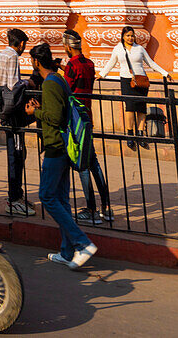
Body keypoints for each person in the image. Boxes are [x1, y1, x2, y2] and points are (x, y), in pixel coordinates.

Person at [25, 42, 97, 269]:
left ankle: (82, 243)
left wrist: (34, 111)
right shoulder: (59, 79)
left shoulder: (49, 83)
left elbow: (55, 118)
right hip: (64, 147)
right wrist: (42, 108)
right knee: (62, 199)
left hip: (56, 147)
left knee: (47, 196)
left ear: (35, 62)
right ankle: (67, 252)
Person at [62, 31, 113, 225]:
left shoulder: (71, 66)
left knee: (82, 164)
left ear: (68, 47)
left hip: (75, 120)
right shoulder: (89, 64)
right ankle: (106, 207)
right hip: (88, 115)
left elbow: (67, 88)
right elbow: (84, 80)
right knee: (94, 162)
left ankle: (90, 209)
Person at [99, 26, 171, 150]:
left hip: (141, 80)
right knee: (130, 108)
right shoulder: (118, 49)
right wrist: (101, 74)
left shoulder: (140, 49)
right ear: (123, 36)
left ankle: (140, 134)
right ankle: (130, 135)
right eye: (128, 35)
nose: (130, 38)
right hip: (126, 80)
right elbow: (111, 62)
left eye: (132, 35)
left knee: (141, 109)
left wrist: (164, 73)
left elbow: (151, 63)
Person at [0, 28, 34, 217]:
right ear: (22, 43)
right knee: (16, 155)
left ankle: (17, 195)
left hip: (3, 109)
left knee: (16, 154)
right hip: (13, 114)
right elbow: (13, 86)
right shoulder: (13, 58)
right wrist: (26, 83)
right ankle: (14, 198)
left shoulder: (0, 55)